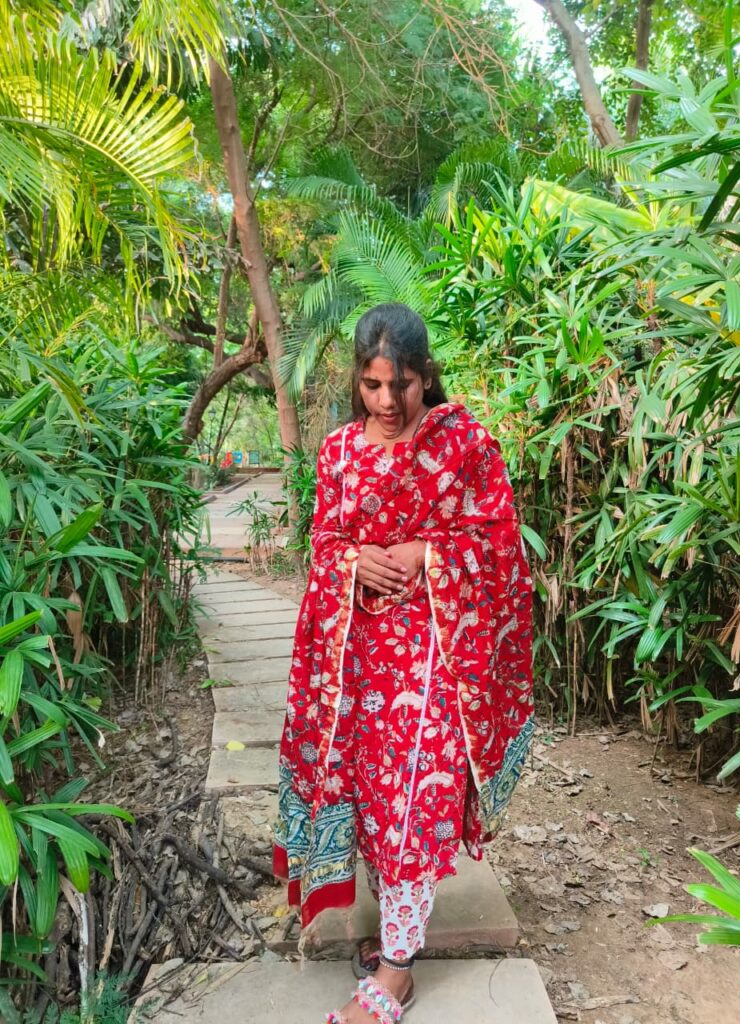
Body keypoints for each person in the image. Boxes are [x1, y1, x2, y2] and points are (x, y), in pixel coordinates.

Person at [273, 303, 534, 1023]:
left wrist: (429, 551)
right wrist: (353, 560)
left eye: (403, 384)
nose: (388, 401)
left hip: (439, 655)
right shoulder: (338, 452)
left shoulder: (466, 445)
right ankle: (397, 933)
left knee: (415, 801)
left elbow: (501, 540)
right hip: (358, 659)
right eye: (373, 385)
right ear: (357, 380)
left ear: (427, 376)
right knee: (373, 800)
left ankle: (395, 973)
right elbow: (324, 541)